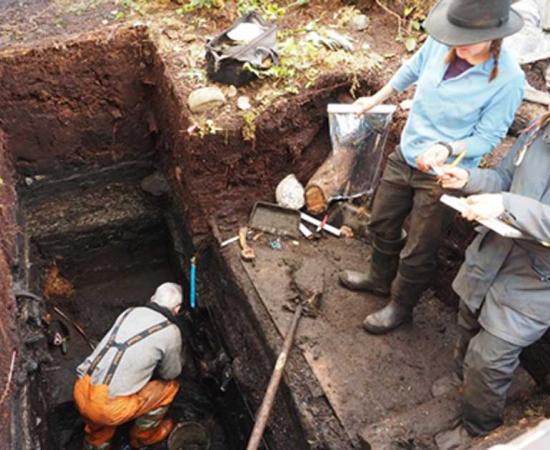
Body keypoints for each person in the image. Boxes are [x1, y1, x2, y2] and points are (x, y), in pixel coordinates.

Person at [339, 0, 525, 334]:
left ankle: (400, 305)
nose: (456, 45)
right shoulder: (442, 40)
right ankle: (379, 278)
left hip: (444, 175)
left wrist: (447, 148)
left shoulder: (509, 79)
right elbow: (410, 69)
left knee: (420, 247)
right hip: (407, 152)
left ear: (493, 37)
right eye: (454, 38)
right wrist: (376, 99)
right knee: (382, 220)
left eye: (466, 41)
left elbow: (489, 137)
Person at [433, 113, 550, 448]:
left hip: (535, 279)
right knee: (467, 318)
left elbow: (507, 199)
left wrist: (504, 204)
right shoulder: (540, 128)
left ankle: (477, 428)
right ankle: (461, 378)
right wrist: (468, 178)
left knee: (489, 358)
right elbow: (503, 177)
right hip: (493, 253)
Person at [73, 282, 184, 450]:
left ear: (153, 298)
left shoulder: (130, 312)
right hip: (108, 410)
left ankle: (97, 442)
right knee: (169, 388)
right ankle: (143, 437)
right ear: (176, 309)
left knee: (101, 409)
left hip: (81, 389)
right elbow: (170, 373)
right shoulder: (170, 331)